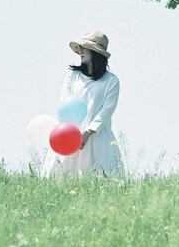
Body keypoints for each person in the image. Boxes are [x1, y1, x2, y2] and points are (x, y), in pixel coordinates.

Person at [41, 30, 124, 178]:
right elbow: (65, 101)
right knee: (62, 176)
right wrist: (72, 132)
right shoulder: (73, 75)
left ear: (96, 52)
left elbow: (107, 110)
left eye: (85, 48)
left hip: (97, 137)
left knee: (101, 178)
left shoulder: (111, 81)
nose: (81, 51)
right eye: (80, 48)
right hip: (70, 133)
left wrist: (87, 133)